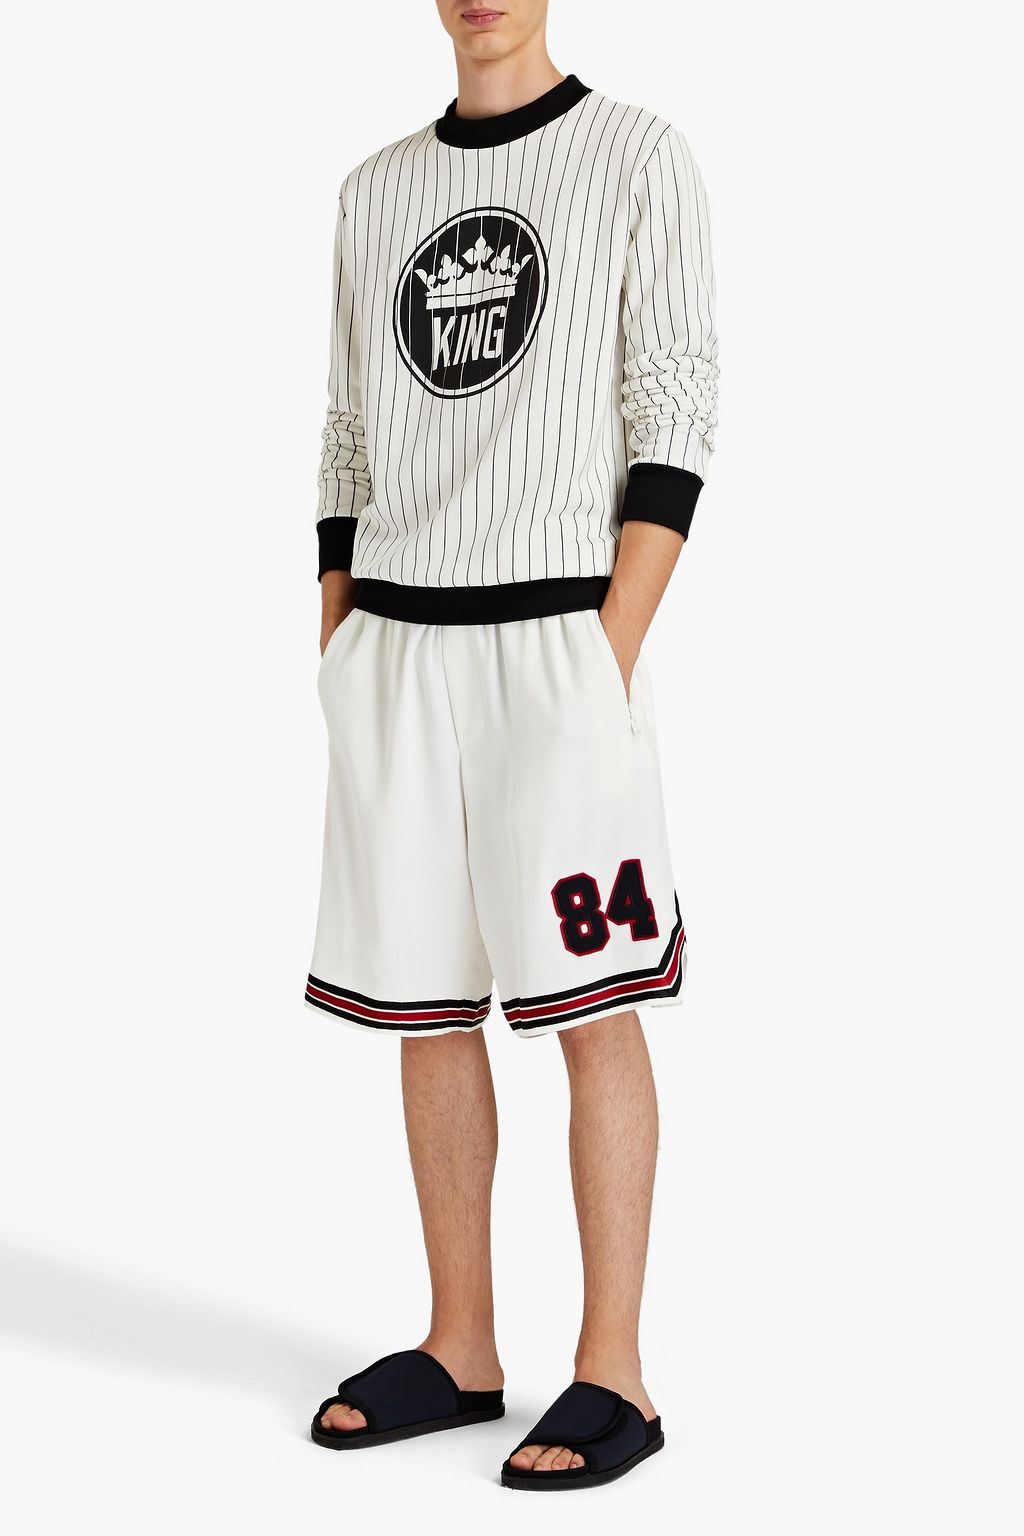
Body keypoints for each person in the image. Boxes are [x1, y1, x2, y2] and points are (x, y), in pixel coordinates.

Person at [305, 0, 718, 1491]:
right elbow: (347, 432)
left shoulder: (637, 156)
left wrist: (604, 652)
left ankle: (616, 1372)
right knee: (426, 1010)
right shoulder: (375, 192)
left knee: (591, 1010)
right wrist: (340, 639)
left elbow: (677, 406)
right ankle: (462, 1345)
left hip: (556, 643)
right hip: (397, 647)